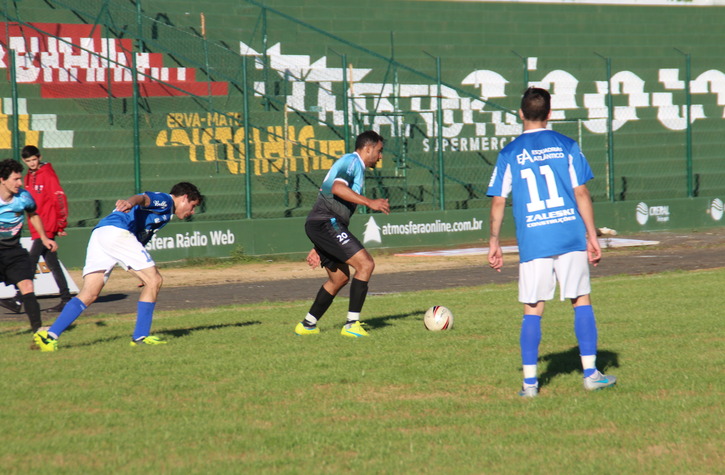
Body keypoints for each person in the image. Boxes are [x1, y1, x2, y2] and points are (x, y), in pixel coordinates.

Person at [486, 87, 617, 397]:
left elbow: (498, 201)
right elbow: (581, 192)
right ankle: (590, 374)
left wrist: (494, 241)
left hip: (534, 238)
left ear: (521, 114)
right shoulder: (567, 145)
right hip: (569, 234)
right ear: (549, 114)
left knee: (533, 308)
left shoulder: (510, 153)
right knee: (581, 299)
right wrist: (592, 234)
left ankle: (530, 384)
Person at [33, 182, 203, 352]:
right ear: (184, 198)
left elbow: (139, 239)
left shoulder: (165, 213)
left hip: (101, 233)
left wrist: (141, 273)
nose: (192, 211)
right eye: (193, 206)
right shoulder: (166, 200)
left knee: (90, 293)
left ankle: (49, 336)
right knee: (155, 280)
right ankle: (140, 337)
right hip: (116, 231)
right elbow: (143, 198)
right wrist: (129, 202)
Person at [295, 130, 390, 338]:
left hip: (323, 225)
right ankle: (351, 325)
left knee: (339, 278)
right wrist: (370, 202)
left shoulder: (355, 165)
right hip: (327, 222)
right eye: (379, 150)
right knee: (365, 264)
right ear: (368, 148)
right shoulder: (352, 162)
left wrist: (319, 245)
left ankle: (307, 325)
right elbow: (337, 188)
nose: (380, 156)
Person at [0, 158, 58, 333]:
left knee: (27, 286)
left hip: (13, 251)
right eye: (15, 179)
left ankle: (38, 331)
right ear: (2, 180)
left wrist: (44, 238)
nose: (20, 183)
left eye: (20, 178)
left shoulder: (24, 197)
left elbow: (33, 215)